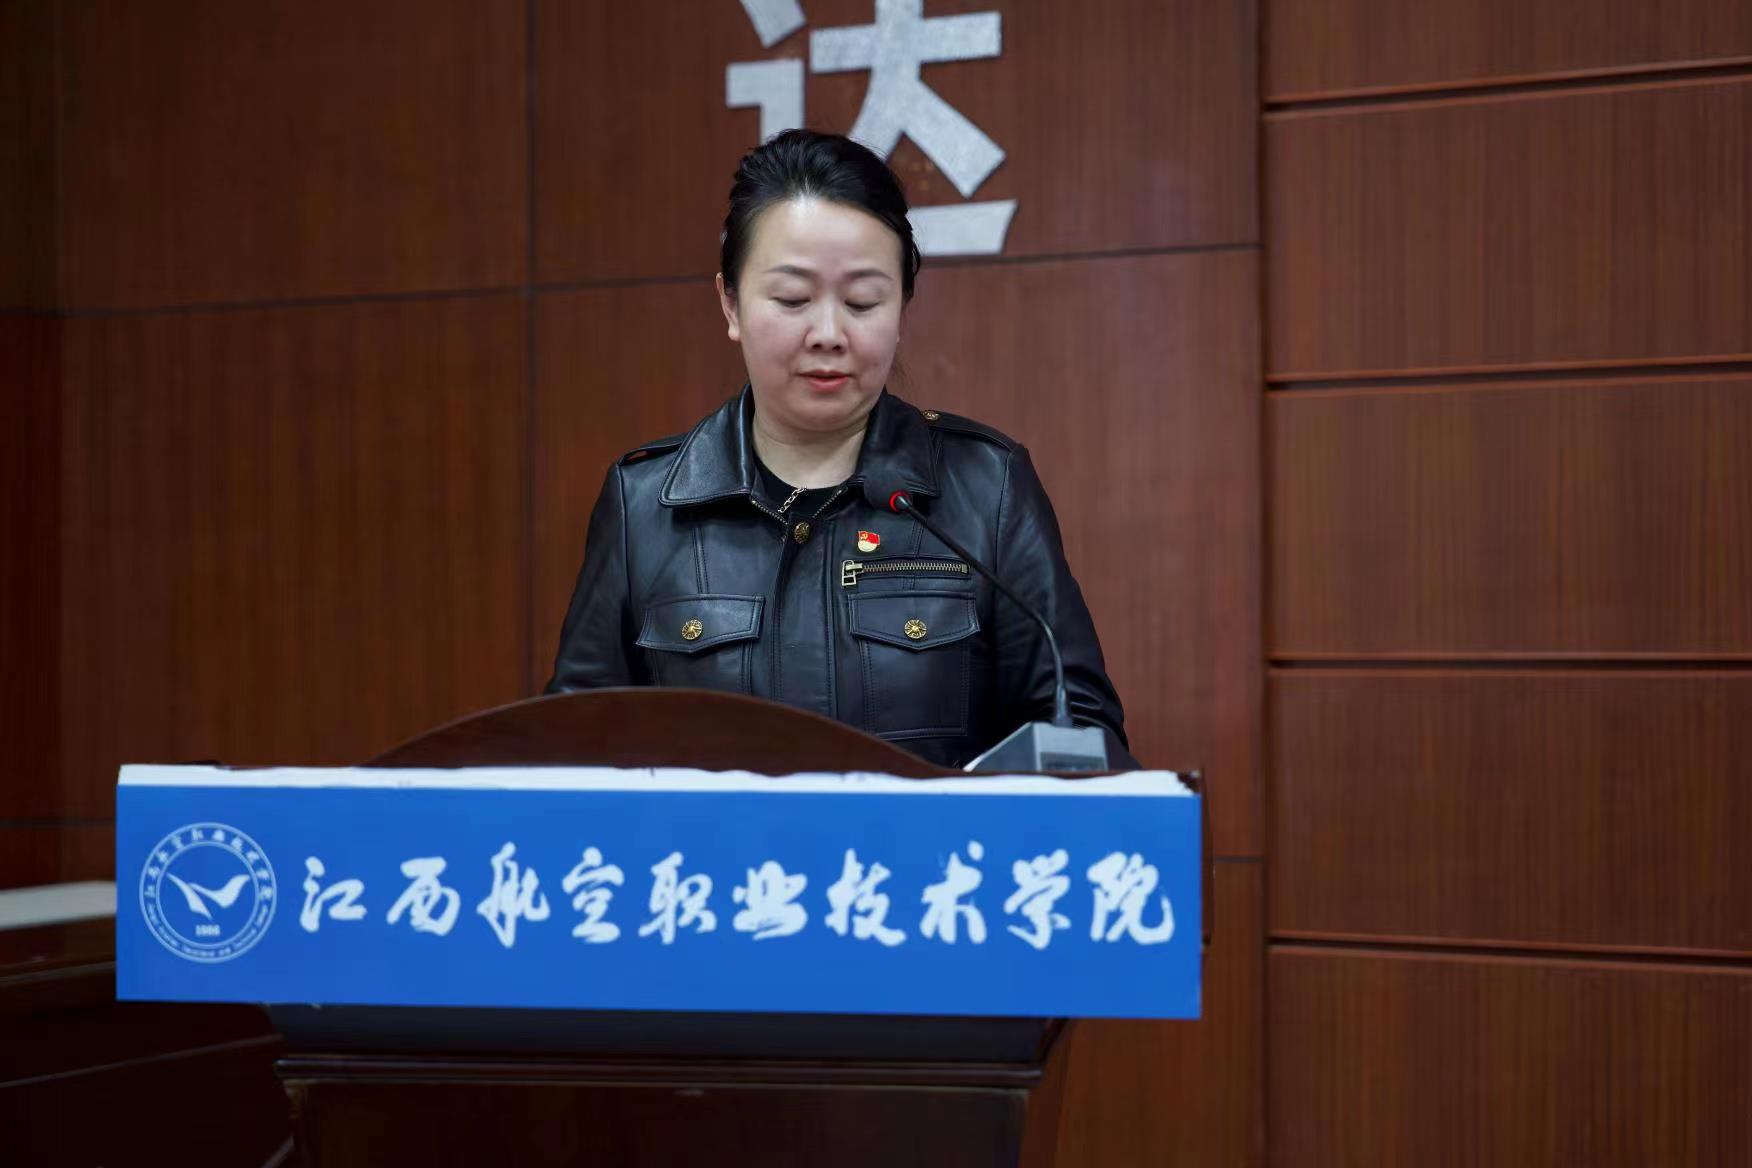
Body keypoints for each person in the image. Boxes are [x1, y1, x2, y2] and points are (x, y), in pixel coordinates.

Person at [546, 129, 1132, 769]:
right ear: (731, 303)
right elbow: (571, 749)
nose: (828, 333)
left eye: (862, 301)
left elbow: (1079, 738)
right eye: (792, 298)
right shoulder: (646, 505)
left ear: (902, 309)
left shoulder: (985, 487)